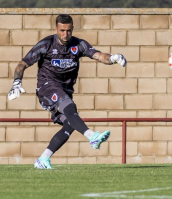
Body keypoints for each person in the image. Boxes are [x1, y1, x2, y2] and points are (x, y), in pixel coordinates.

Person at [7, 14, 127, 169]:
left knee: (70, 124)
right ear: (56, 29)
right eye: (62, 30)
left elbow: (98, 55)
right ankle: (92, 136)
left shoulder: (79, 45)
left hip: (65, 90)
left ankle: (43, 159)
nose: (65, 34)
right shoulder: (46, 44)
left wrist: (113, 58)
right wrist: (16, 83)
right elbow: (22, 64)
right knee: (69, 106)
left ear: (72, 29)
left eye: (68, 31)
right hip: (47, 87)